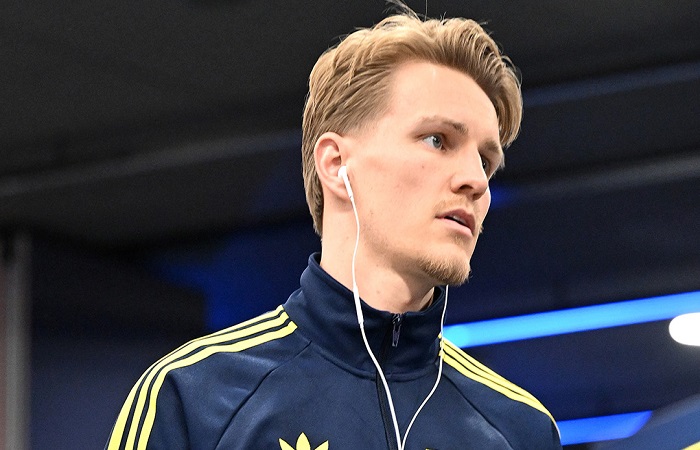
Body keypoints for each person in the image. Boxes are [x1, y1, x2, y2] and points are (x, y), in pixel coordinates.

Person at [106, 6, 561, 450]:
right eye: (437, 140)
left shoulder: (521, 431)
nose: (476, 181)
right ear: (336, 164)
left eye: (486, 161)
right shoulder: (195, 398)